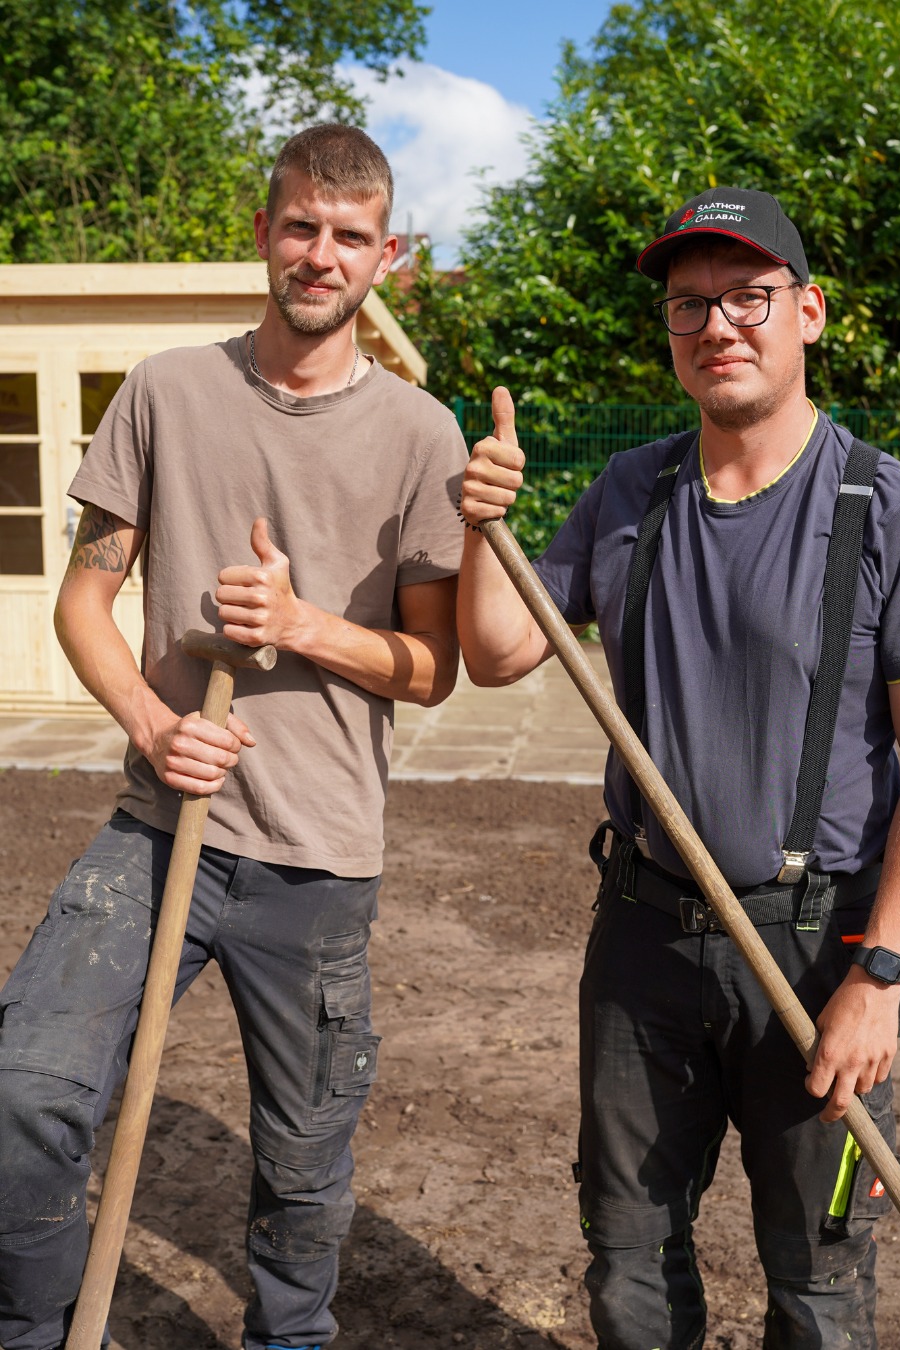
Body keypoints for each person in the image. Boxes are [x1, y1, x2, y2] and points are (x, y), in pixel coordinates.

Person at [456, 187, 900, 1349]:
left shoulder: (892, 512)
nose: (717, 326)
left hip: (818, 951)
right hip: (642, 944)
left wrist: (880, 978)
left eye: (748, 297)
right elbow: (494, 655)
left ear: (809, 313)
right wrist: (482, 525)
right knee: (630, 1262)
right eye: (689, 305)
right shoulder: (628, 494)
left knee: (821, 1282)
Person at [0, 123, 467, 1350]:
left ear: (386, 257)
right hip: (161, 831)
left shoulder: (422, 434)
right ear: (265, 232)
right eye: (301, 226)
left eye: (351, 236)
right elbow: (83, 600)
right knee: (24, 1094)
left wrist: (304, 624)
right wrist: (153, 724)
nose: (322, 255)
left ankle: (288, 1342)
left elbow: (434, 669)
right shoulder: (166, 392)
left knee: (304, 1173)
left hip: (319, 859)